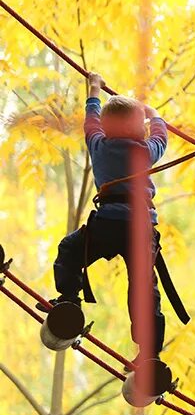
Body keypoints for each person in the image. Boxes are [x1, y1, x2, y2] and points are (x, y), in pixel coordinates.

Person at [45, 72, 169, 360]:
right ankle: (150, 352)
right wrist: (154, 115)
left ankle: (69, 300)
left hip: (108, 224)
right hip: (140, 229)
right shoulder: (144, 151)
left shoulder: (99, 146)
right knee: (143, 288)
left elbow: (91, 121)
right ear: (141, 131)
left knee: (71, 249)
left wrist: (94, 88)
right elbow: (161, 139)